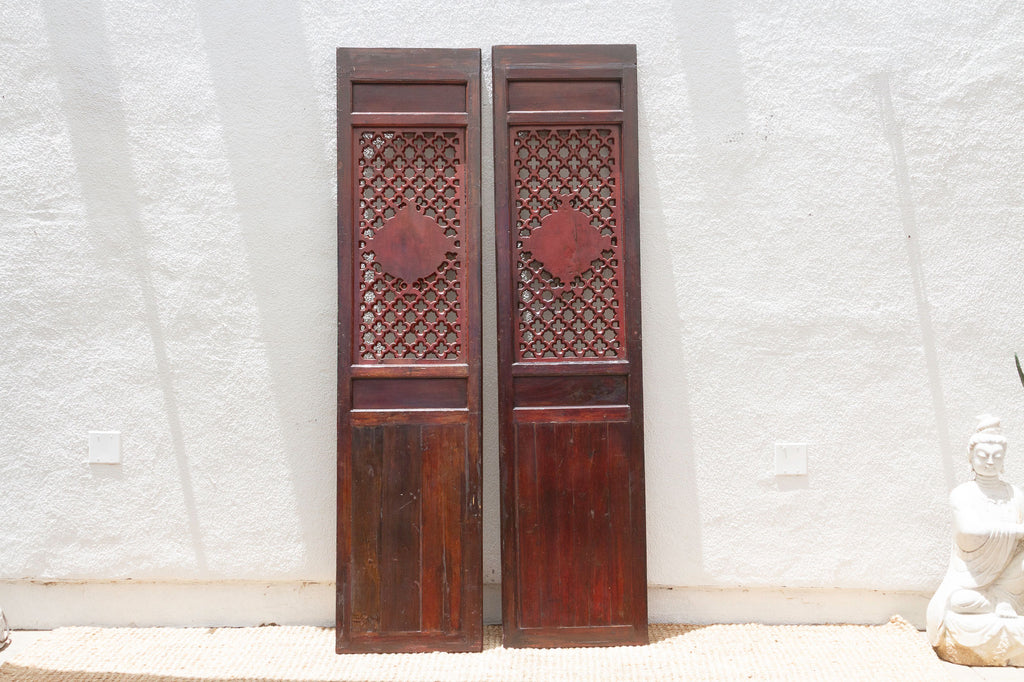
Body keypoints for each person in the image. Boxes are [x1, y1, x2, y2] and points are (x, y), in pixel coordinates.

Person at [927, 415, 1024, 665]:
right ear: (971, 458)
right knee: (959, 602)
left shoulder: (1016, 495)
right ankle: (1001, 601)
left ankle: (1006, 599)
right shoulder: (962, 494)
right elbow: (968, 533)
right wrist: (1015, 531)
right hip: (970, 581)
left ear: (1004, 460)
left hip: (1010, 581)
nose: (990, 461)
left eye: (996, 456)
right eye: (983, 456)